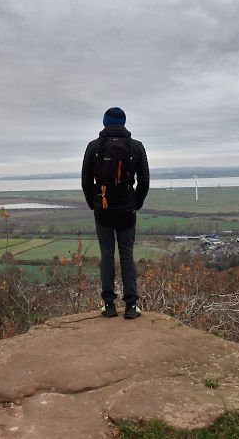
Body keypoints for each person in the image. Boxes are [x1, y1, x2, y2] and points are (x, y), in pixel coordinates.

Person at [81, 107, 150, 319]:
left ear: (104, 122)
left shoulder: (93, 147)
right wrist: (135, 203)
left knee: (107, 254)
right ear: (124, 123)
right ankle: (131, 306)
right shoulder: (136, 147)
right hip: (127, 210)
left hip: (103, 209)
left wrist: (94, 204)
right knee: (127, 255)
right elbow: (144, 181)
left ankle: (109, 304)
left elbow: (85, 180)